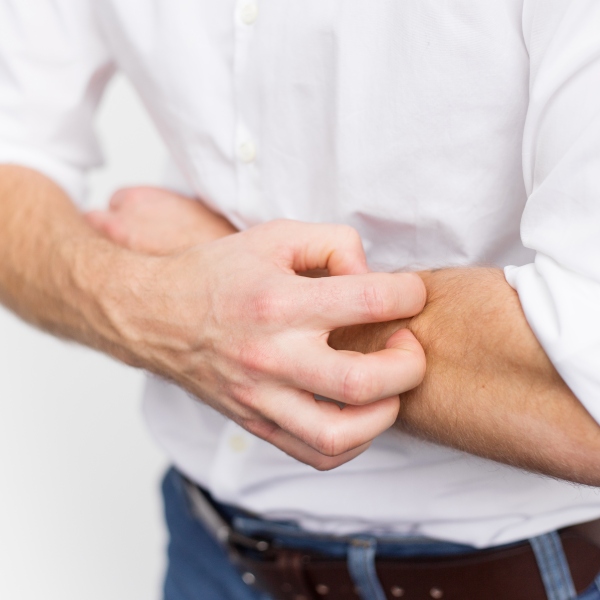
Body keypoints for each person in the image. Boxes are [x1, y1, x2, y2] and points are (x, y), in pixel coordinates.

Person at [1, 1, 600, 599]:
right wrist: (155, 299)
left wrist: (212, 295)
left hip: (526, 574)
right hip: (204, 548)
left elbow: (587, 401)